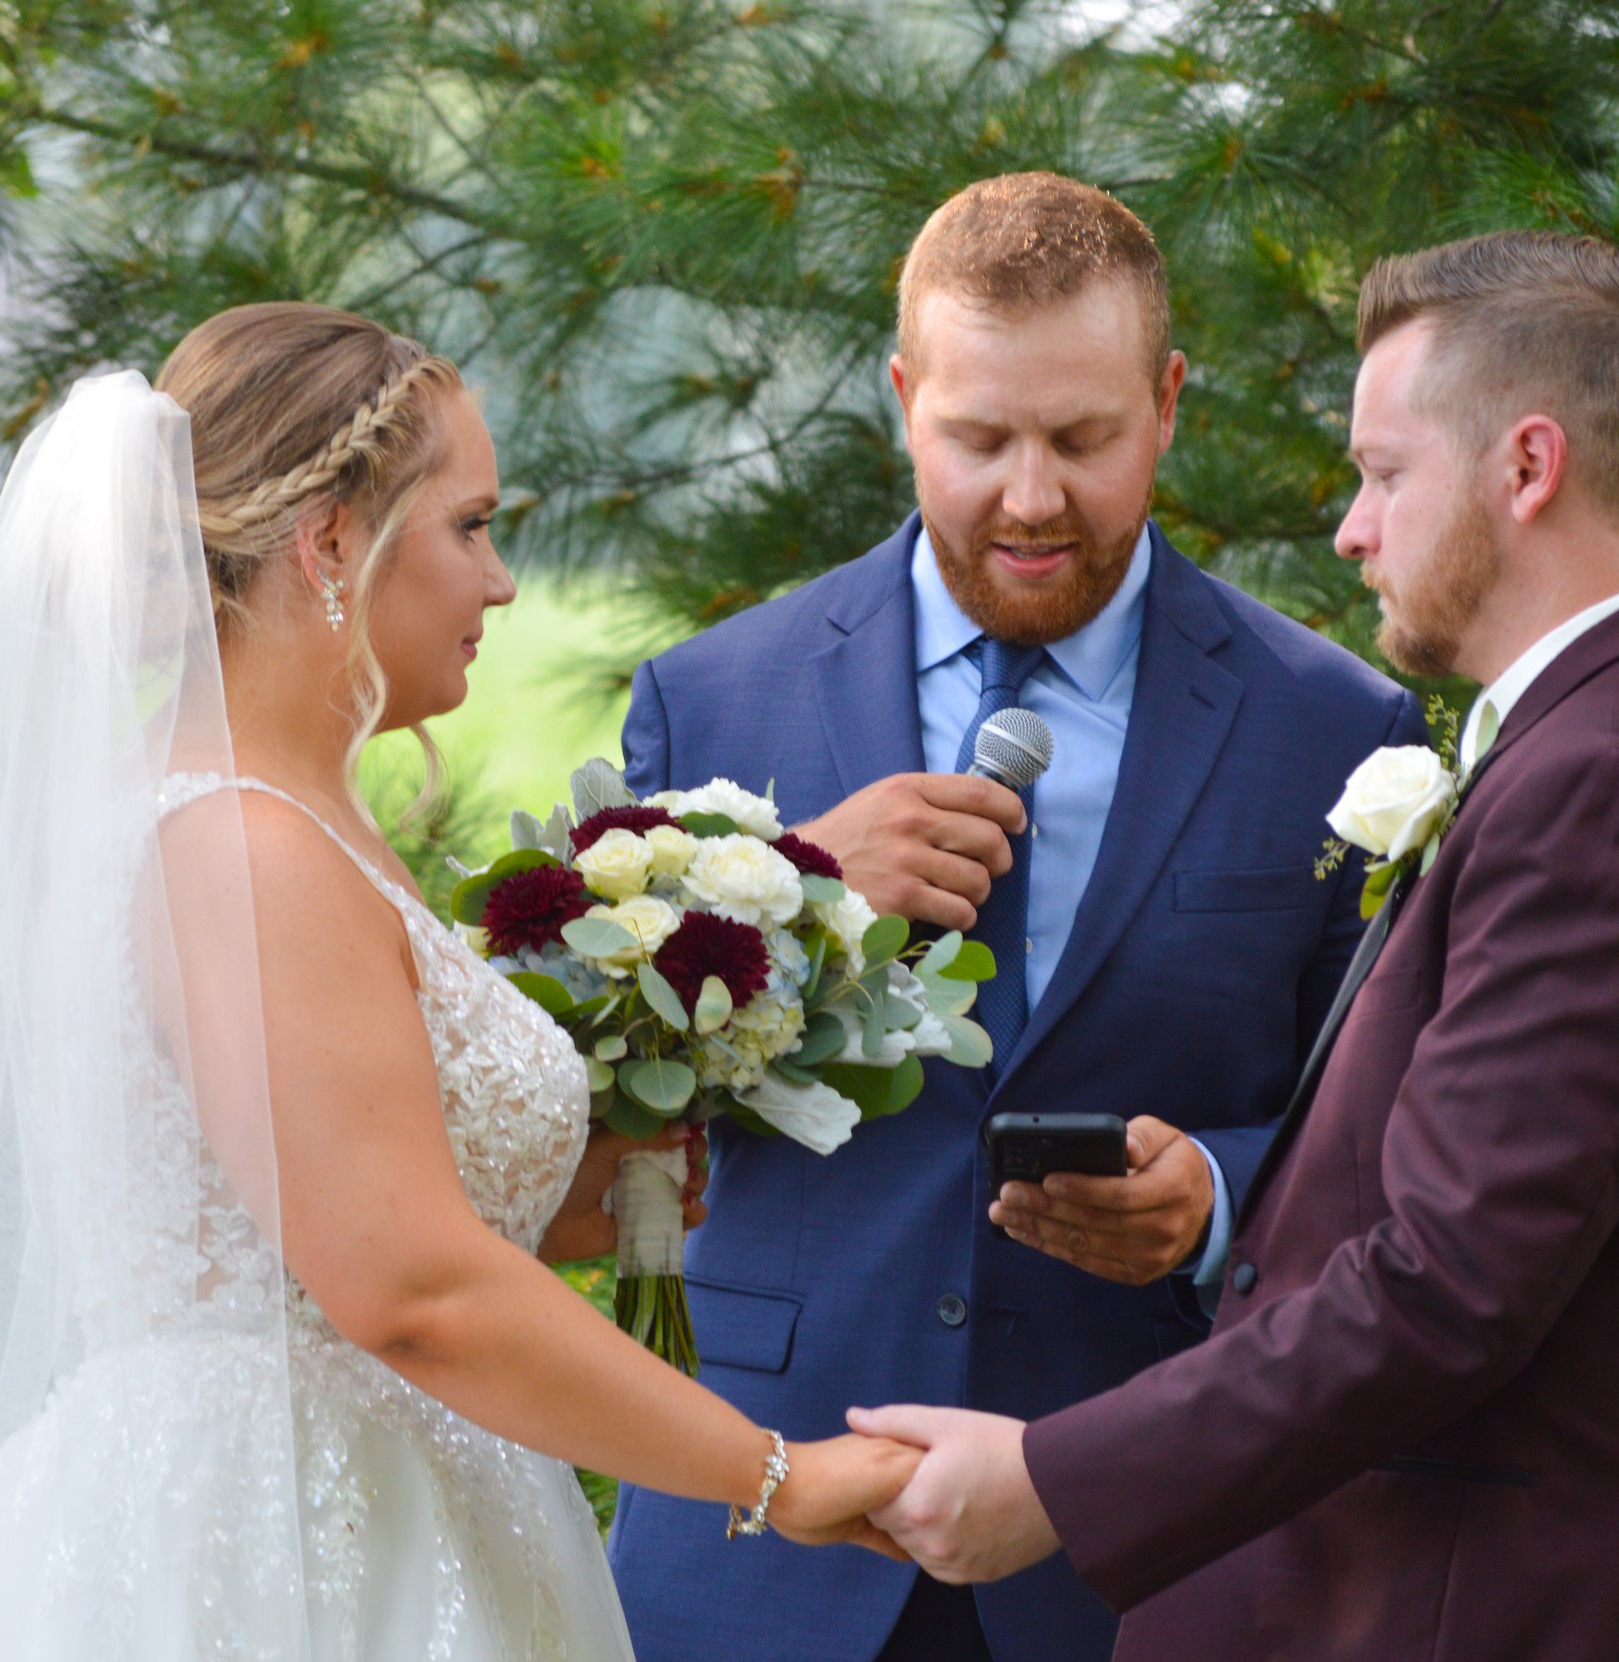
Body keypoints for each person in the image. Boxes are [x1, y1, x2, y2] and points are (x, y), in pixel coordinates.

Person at [0, 302, 920, 1661]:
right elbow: (407, 1287)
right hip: (271, 1559)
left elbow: (312, 1209)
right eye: (469, 524)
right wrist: (776, 1475)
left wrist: (594, 1188)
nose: (502, 580)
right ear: (329, 540)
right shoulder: (241, 848)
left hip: (393, 1509)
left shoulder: (294, 821)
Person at [852, 231, 1619, 1662]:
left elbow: (1444, 1285)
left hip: (1530, 1610)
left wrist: (1052, 1482)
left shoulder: (1609, 786)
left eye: (1386, 474)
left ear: (1527, 469)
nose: (1352, 526)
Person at [606, 174, 1422, 1662]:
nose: (1033, 496)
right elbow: (622, 1119)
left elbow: (1376, 1131)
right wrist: (791, 889)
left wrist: (1217, 1198)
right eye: (980, 438)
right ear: (904, 399)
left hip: (1146, 1549)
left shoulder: (1338, 730)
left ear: (1168, 402)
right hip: (764, 1535)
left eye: (1084, 437)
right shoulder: (710, 695)